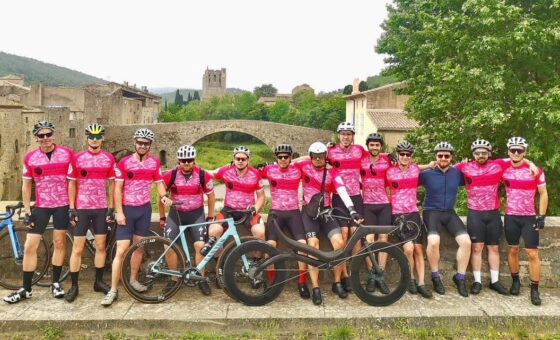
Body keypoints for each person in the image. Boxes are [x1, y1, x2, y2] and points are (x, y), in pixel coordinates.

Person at [4, 121, 74, 304]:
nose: (45, 138)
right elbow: (26, 185)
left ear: (53, 134)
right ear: (36, 138)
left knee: (59, 243)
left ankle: (56, 283)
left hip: (62, 205)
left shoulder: (66, 154)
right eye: (41, 135)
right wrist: (27, 210)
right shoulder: (31, 157)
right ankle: (26, 289)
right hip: (42, 206)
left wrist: (73, 208)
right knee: (30, 246)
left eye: (48, 134)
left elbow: (73, 182)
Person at [101, 128, 171, 306]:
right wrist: (119, 212)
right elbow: (117, 189)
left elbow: (159, 184)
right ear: (135, 143)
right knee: (121, 250)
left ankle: (133, 280)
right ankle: (113, 289)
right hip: (127, 210)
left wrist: (164, 197)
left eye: (146, 143)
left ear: (150, 145)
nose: (142, 146)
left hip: (144, 210)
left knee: (139, 248)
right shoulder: (124, 163)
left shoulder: (154, 163)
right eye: (140, 142)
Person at [294, 142, 362, 305]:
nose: (318, 160)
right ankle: (316, 287)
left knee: (340, 243)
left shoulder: (332, 171)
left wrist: (351, 209)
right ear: (310, 157)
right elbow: (290, 162)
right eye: (315, 157)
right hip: (309, 213)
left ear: (326, 157)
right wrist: (314, 151)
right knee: (313, 245)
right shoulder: (304, 167)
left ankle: (337, 282)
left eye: (321, 157)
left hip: (326, 211)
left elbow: (342, 190)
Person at [65, 123, 115, 302]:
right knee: (77, 248)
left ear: (102, 138)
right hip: (82, 209)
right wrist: (71, 208)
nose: (94, 140)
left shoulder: (109, 158)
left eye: (98, 137)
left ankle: (98, 282)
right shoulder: (77, 158)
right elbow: (71, 183)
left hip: (101, 209)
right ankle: (74, 286)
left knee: (101, 246)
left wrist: (111, 208)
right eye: (91, 137)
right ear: (86, 138)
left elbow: (111, 184)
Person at [454, 139, 511, 295]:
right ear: (473, 154)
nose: (481, 155)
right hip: (475, 213)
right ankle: (477, 281)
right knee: (477, 248)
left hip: (493, 212)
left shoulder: (498, 164)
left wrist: (532, 165)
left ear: (489, 154)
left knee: (494, 247)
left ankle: (495, 281)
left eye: (484, 153)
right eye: (477, 153)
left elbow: (518, 157)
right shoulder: (465, 167)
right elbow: (444, 169)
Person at [157, 145, 215, 295]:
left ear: (194, 160)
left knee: (201, 246)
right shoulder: (171, 175)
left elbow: (211, 196)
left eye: (189, 160)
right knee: (168, 246)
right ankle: (173, 280)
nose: (186, 163)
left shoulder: (203, 175)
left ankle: (201, 278)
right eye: (183, 160)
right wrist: (162, 217)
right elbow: (161, 196)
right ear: (179, 161)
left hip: (196, 215)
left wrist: (210, 217)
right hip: (176, 215)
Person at [420, 142, 471, 297]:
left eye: (446, 156)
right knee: (434, 241)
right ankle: (435, 276)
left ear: (451, 157)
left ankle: (460, 278)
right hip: (431, 212)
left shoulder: (457, 174)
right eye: (440, 155)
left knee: (466, 242)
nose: (443, 158)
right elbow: (406, 175)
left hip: (449, 212)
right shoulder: (427, 174)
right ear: (435, 157)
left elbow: (478, 170)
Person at [502, 137, 548, 305]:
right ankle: (515, 282)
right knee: (513, 250)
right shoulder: (503, 168)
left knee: (532, 253)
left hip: (529, 217)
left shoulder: (536, 171)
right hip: (510, 216)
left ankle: (534, 290)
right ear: (508, 151)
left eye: (519, 150)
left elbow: (543, 193)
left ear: (525, 152)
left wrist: (541, 216)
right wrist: (529, 162)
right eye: (513, 150)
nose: (516, 153)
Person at [261, 144, 310, 300]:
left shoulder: (298, 169)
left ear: (290, 157)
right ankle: (272, 282)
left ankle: (302, 283)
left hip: (294, 213)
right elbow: (248, 172)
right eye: (280, 157)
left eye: (286, 157)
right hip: (275, 213)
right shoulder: (269, 170)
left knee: (302, 246)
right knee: (270, 246)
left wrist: (296, 161)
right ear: (276, 158)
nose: (282, 159)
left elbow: (311, 158)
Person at [385, 141, 432, 299]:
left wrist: (432, 164)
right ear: (397, 155)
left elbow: (428, 166)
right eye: (402, 154)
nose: (405, 157)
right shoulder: (389, 171)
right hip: (398, 214)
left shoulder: (415, 169)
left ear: (412, 156)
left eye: (408, 154)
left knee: (419, 249)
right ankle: (410, 279)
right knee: (409, 249)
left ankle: (421, 283)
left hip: (413, 213)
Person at [327, 121, 368, 293]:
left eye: (349, 134)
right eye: (343, 134)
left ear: (352, 136)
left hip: (356, 197)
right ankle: (342, 275)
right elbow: (313, 157)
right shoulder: (330, 151)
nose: (345, 137)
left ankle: (352, 274)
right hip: (338, 198)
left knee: (356, 237)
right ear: (338, 135)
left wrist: (391, 158)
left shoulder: (359, 150)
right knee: (343, 236)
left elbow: (376, 155)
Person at [207, 146, 266, 243]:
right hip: (228, 210)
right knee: (214, 231)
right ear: (234, 159)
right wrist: (193, 166)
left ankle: (257, 258)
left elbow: (261, 196)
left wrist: (254, 209)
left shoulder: (255, 174)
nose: (240, 161)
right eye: (238, 159)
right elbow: (210, 173)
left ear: (248, 160)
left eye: (243, 159)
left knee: (260, 232)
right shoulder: (226, 171)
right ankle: (220, 258)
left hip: (247, 212)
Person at [359, 133, 392, 294]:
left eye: (377, 145)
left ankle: (381, 275)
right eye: (371, 145)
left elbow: (406, 166)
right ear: (368, 146)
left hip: (384, 204)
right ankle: (373, 274)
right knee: (369, 240)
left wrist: (429, 165)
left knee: (384, 239)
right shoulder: (361, 160)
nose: (374, 148)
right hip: (367, 205)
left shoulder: (387, 161)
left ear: (381, 147)